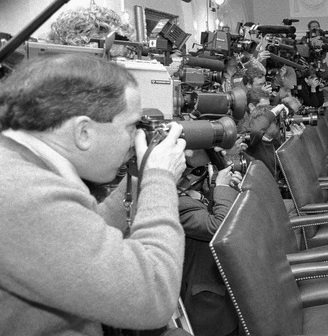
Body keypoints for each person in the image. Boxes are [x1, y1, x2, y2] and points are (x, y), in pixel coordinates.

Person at [0, 54, 187, 333]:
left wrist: (138, 181)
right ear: (83, 132)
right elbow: (154, 294)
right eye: (131, 126)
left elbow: (79, 237)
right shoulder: (23, 194)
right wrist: (160, 179)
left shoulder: (19, 166)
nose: (136, 137)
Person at [179, 166, 243, 336]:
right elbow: (220, 228)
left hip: (226, 287)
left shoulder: (192, 196)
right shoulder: (178, 203)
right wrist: (222, 188)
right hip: (209, 302)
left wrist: (230, 191)